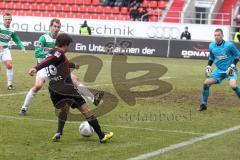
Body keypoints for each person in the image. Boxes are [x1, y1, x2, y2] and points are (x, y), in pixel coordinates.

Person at [28, 33, 113, 143]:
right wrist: (36, 68)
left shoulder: (51, 52)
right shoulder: (59, 53)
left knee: (64, 109)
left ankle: (59, 132)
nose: (69, 48)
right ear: (65, 45)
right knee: (85, 110)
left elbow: (60, 61)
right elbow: (53, 59)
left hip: (54, 89)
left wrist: (74, 65)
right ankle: (101, 136)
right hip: (66, 88)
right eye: (69, 45)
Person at [19, 19, 102, 116]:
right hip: (43, 67)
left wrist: (72, 64)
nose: (56, 29)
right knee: (38, 86)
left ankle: (93, 99)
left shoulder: (60, 39)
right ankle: (23, 108)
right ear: (50, 26)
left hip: (57, 67)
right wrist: (52, 53)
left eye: (58, 27)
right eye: (54, 26)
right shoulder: (43, 38)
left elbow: (61, 57)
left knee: (75, 79)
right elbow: (37, 53)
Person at [199, 28, 240, 111]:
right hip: (219, 70)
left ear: (222, 36)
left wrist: (232, 65)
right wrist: (208, 66)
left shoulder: (229, 45)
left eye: (218, 35)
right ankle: (204, 105)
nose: (216, 37)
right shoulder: (211, 45)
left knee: (233, 85)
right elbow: (211, 57)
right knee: (206, 83)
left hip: (230, 70)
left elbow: (238, 55)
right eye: (215, 35)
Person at [0, 13, 25, 90]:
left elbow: (17, 40)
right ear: (3, 19)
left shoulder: (12, 30)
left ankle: (9, 84)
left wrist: (22, 47)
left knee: (9, 65)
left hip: (5, 49)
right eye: (6, 19)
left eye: (9, 19)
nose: (7, 21)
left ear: (11, 20)